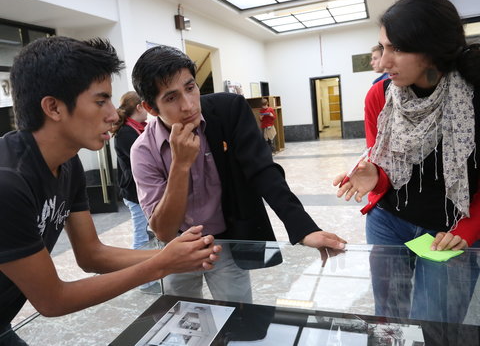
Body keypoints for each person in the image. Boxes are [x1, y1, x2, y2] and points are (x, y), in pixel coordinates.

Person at [0, 36, 221, 345]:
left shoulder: (68, 164)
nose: (114, 114)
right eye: (100, 101)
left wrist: (174, 256)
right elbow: (53, 300)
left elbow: (92, 255)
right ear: (53, 107)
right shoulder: (8, 183)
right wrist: (161, 264)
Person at [130, 45, 346, 300]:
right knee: (185, 321)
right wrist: (180, 164)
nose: (188, 105)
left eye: (190, 88)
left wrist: (302, 227)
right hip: (177, 249)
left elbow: (262, 170)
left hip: (228, 242)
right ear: (151, 107)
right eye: (171, 97)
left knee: (239, 318)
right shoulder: (143, 151)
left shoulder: (227, 110)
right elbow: (163, 231)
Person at [333, 0, 480, 323]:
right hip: (388, 222)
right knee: (388, 318)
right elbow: (382, 163)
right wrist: (374, 175)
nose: (383, 61)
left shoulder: (472, 96)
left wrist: (469, 228)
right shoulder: (379, 96)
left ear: (432, 50)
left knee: (435, 325)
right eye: (383, 47)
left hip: (448, 230)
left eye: (397, 49)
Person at [112, 91, 160, 294]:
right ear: (139, 107)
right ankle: (144, 282)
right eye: (145, 106)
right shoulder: (126, 133)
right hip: (134, 192)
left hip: (141, 192)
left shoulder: (138, 128)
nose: (149, 112)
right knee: (140, 236)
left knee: (148, 235)